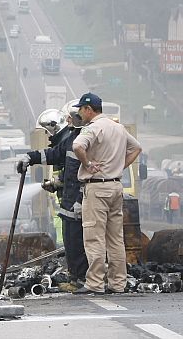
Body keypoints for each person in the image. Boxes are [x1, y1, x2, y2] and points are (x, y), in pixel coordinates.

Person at [70, 92, 142, 295]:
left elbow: (77, 146)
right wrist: (120, 166)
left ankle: (94, 283)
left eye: (81, 110)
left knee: (94, 237)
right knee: (116, 238)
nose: (79, 114)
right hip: (115, 187)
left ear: (88, 109)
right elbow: (137, 147)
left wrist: (87, 163)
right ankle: (118, 283)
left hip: (97, 187)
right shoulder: (118, 128)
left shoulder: (93, 128)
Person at [16, 108, 87, 282]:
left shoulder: (83, 140)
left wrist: (78, 198)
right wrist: (30, 157)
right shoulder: (71, 139)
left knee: (79, 244)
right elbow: (54, 155)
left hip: (77, 202)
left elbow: (82, 173)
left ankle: (82, 279)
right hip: (68, 203)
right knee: (71, 243)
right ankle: (76, 278)